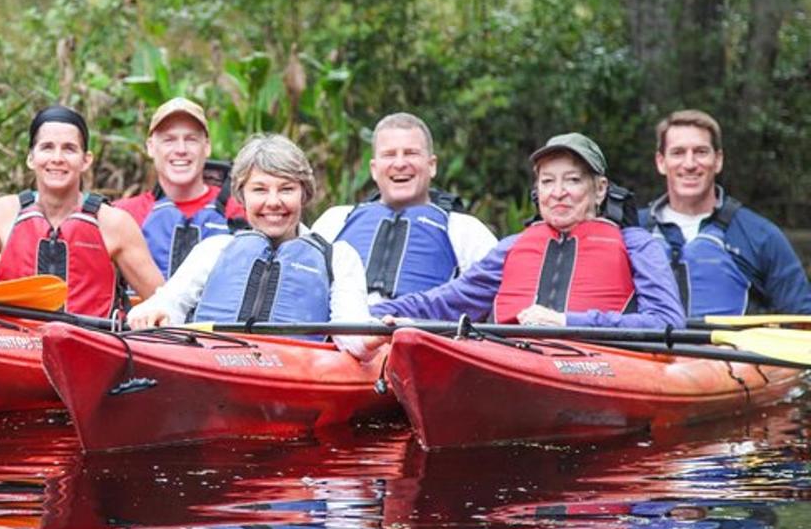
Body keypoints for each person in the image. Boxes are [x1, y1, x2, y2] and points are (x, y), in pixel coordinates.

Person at [372, 133, 685, 329]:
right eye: (548, 181)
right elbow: (445, 302)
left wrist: (567, 322)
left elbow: (667, 321)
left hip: (601, 364)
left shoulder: (636, 245)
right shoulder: (512, 247)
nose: (558, 192)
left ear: (600, 189)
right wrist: (372, 314)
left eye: (573, 180)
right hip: (519, 357)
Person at [128, 134, 376, 358]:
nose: (273, 202)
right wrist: (151, 314)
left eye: (286, 189)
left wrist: (373, 338)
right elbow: (169, 303)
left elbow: (353, 334)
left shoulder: (338, 258)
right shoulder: (214, 250)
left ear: (304, 194)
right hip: (216, 371)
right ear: (242, 197)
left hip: (296, 378)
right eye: (259, 190)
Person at [0, 105, 163, 317]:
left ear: (85, 161)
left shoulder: (114, 223)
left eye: (69, 149)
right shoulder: (5, 213)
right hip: (13, 349)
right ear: (31, 158)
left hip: (89, 351)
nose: (57, 158)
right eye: (47, 147)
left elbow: (163, 301)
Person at [640, 109, 811, 317]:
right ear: (661, 162)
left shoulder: (761, 235)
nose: (690, 164)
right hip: (642, 350)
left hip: (725, 350)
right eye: (678, 152)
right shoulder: (632, 231)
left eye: (701, 152)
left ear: (718, 160)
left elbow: (802, 317)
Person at [312, 112, 497, 303]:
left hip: (424, 330)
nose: (400, 164)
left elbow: (493, 298)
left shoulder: (467, 232)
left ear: (432, 166)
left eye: (411, 153)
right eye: (389, 155)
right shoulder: (334, 221)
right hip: (342, 329)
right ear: (374, 169)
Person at [114, 97, 247, 277]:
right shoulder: (121, 216)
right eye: (169, 140)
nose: (181, 149)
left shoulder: (241, 212)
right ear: (151, 147)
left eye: (191, 139)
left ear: (206, 147)